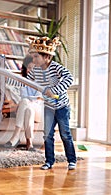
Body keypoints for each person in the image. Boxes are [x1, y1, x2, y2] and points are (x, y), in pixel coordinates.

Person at [26, 36, 77, 170]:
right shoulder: (36, 70)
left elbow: (69, 78)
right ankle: (49, 161)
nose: (33, 60)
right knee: (47, 135)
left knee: (65, 134)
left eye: (36, 57)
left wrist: (54, 90)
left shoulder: (56, 67)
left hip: (61, 106)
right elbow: (27, 82)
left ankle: (72, 160)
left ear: (46, 57)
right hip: (48, 107)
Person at [4, 55, 43, 151]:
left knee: (26, 102)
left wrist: (28, 100)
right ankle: (29, 143)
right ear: (25, 69)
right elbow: (7, 79)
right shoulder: (22, 82)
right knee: (28, 109)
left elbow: (39, 98)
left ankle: (16, 136)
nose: (32, 71)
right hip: (27, 107)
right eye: (29, 68)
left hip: (38, 107)